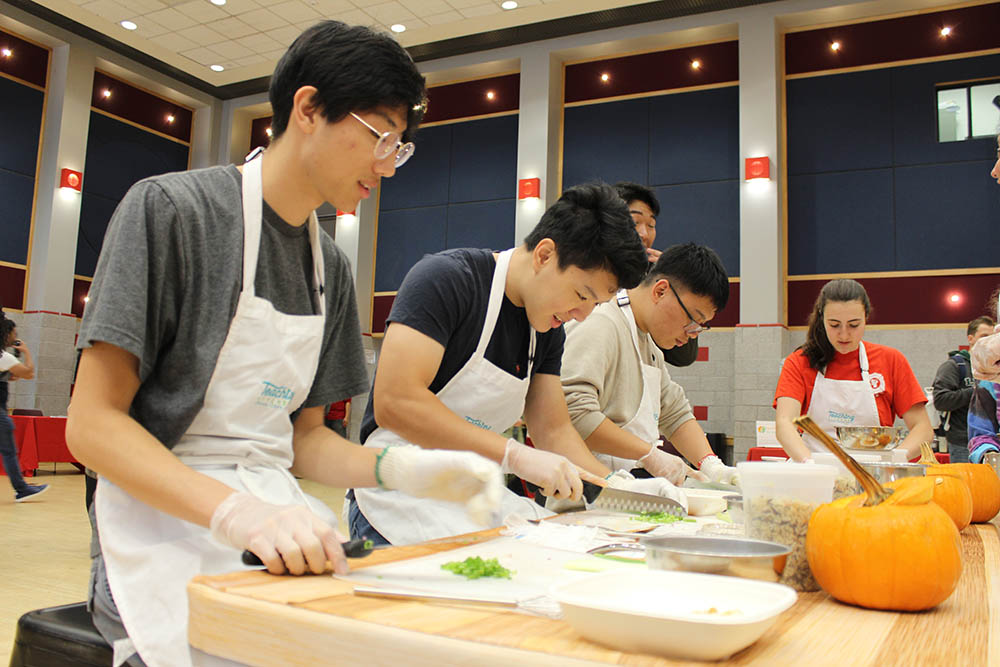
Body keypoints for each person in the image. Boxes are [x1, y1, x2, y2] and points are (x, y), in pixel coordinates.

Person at [67, 22, 505, 667]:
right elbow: (92, 425)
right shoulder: (172, 211)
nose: (388, 163)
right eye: (381, 135)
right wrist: (236, 515)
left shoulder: (331, 265)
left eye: (400, 148)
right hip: (157, 526)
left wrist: (404, 470)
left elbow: (302, 441)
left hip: (283, 524)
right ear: (307, 109)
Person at [349, 182, 686, 547]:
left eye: (595, 304)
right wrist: (514, 455)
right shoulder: (447, 281)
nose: (582, 315)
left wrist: (616, 486)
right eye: (581, 295)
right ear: (544, 255)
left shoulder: (546, 330)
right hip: (396, 494)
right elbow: (395, 403)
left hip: (472, 498)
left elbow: (553, 430)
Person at [561, 243, 738, 486]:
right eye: (693, 320)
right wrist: (649, 454)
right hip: (580, 493)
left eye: (700, 326)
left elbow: (675, 413)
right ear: (660, 291)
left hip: (624, 492)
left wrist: (711, 465)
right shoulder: (601, 322)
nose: (692, 333)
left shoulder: (649, 345)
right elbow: (572, 413)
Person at [773, 279, 933, 461]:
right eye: (834, 325)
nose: (844, 334)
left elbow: (923, 428)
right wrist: (810, 464)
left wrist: (893, 459)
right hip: (815, 471)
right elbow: (785, 423)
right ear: (821, 318)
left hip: (874, 474)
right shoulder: (799, 362)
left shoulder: (891, 360)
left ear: (866, 317)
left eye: (854, 325)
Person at [614, 182, 698, 368]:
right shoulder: (585, 275)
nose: (644, 234)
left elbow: (683, 357)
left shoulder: (653, 279)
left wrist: (675, 283)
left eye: (651, 225)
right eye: (635, 223)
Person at [932, 316, 995, 463]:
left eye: (993, 337)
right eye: (984, 336)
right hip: (962, 443)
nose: (988, 341)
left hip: (993, 443)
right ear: (970, 338)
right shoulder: (954, 366)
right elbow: (941, 401)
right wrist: (979, 389)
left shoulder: (996, 368)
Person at [0, 315, 48, 501]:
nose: (16, 336)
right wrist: (27, 352)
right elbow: (28, 373)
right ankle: (22, 489)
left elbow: (12, 377)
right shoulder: (4, 357)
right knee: (10, 452)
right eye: (14, 332)